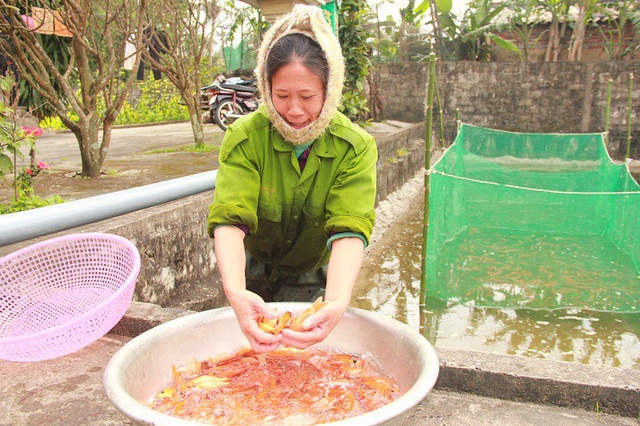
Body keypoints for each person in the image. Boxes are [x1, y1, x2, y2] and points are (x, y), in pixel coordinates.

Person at [207, 4, 377, 353]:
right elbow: (229, 216)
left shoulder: (355, 147)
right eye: (282, 96)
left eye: (308, 97)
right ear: (265, 87)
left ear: (329, 91)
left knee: (302, 354)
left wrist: (338, 300)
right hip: (252, 267)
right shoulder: (244, 137)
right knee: (247, 353)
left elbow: (350, 227)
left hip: (310, 271)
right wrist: (235, 291)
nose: (295, 110)